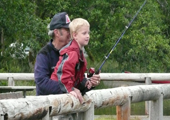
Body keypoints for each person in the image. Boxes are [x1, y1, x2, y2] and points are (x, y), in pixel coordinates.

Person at [34, 12, 100, 96]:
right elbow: (42, 83)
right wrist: (69, 88)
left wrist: (89, 83)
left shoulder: (74, 52)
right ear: (57, 32)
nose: (71, 32)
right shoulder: (44, 55)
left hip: (66, 105)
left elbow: (77, 81)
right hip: (47, 105)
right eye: (67, 30)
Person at [50, 18, 99, 104]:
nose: (87, 36)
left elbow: (77, 78)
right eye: (84, 33)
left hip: (62, 91)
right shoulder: (72, 52)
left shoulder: (79, 52)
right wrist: (70, 89)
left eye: (88, 33)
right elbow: (64, 73)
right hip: (56, 94)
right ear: (75, 35)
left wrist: (88, 83)